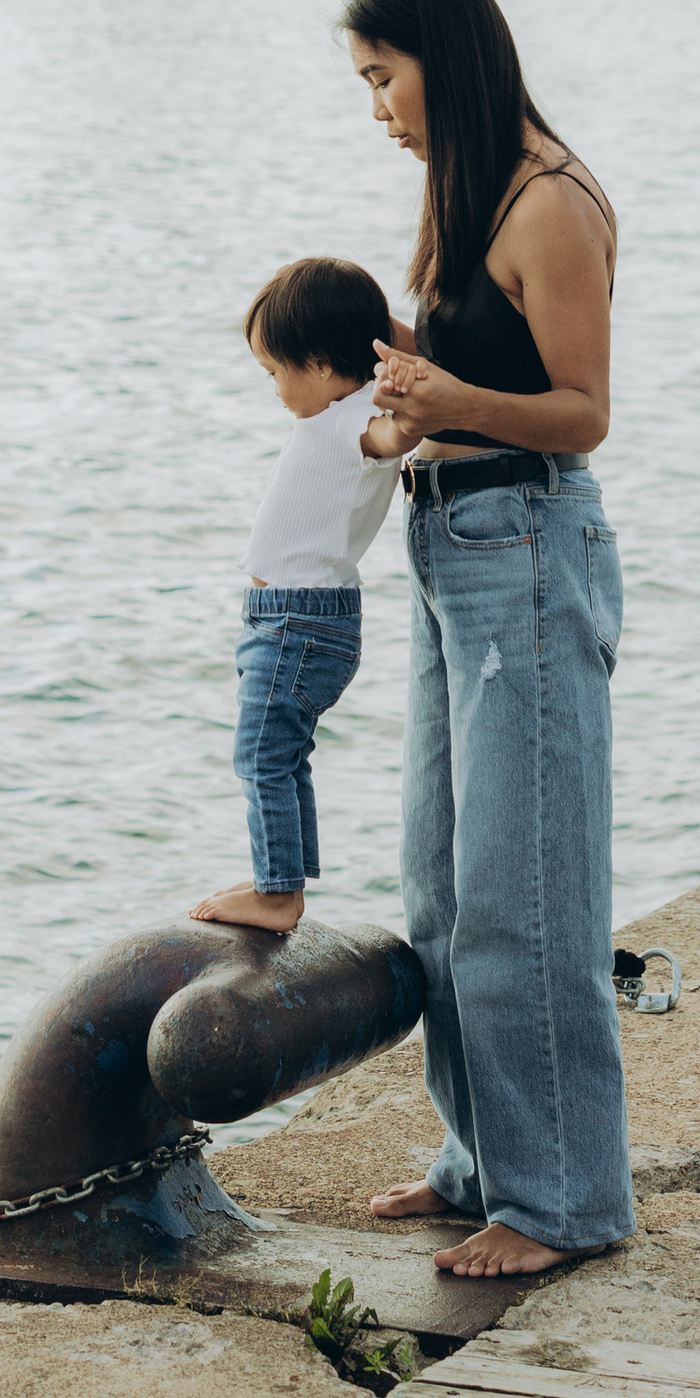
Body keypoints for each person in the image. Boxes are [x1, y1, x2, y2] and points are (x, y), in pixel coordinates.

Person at [340, 0, 631, 1283]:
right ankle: (483, 1161)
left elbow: (582, 415)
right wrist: (404, 410)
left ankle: (567, 1200)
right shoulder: (463, 197)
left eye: (382, 78)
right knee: (445, 894)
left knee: (527, 894)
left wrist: (447, 405)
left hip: (523, 547)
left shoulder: (549, 205)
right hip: (453, 547)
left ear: (440, 61)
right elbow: (471, 379)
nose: (378, 108)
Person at [193, 256, 408, 936]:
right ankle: (284, 876)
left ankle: (278, 893)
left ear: (316, 364)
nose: (274, 388)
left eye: (274, 372)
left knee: (262, 754)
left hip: (298, 621)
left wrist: (408, 411)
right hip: (289, 619)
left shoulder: (357, 418)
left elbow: (390, 438)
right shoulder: (339, 415)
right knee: (283, 753)